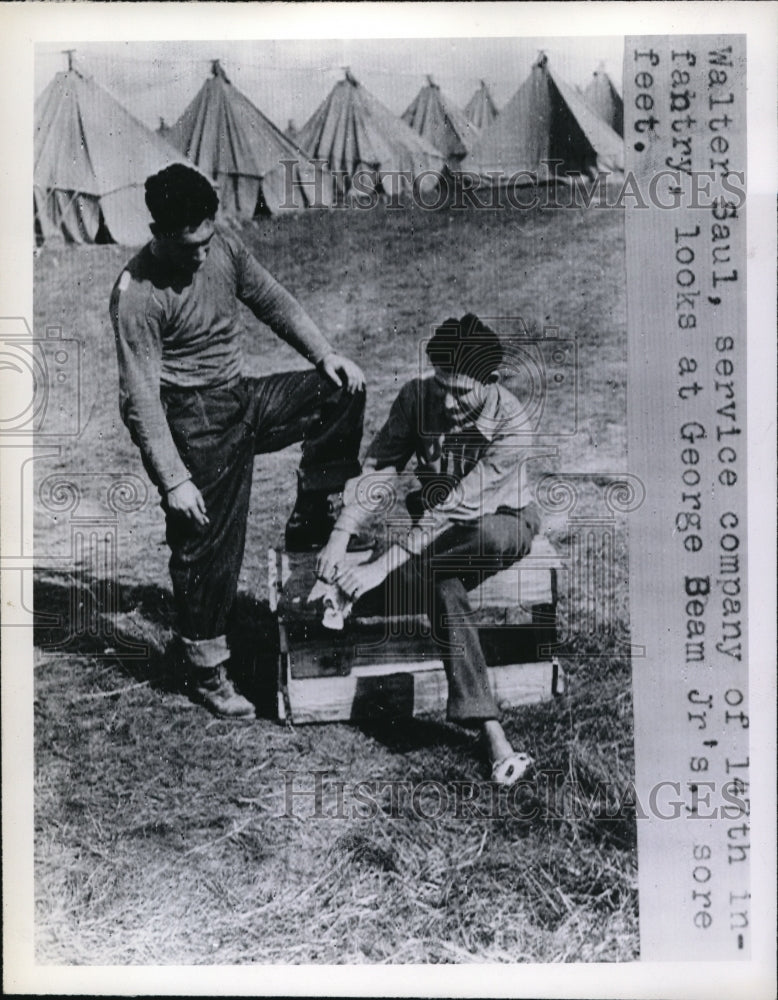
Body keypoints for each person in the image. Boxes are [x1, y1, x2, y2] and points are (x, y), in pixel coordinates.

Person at [110, 164, 365, 719]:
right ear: (159, 231)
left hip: (241, 398)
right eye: (191, 245)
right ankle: (205, 669)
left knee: (342, 389)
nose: (203, 254)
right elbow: (140, 399)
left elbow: (271, 299)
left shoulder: (222, 248)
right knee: (207, 548)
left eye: (208, 238)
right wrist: (174, 478)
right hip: (193, 420)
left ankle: (315, 513)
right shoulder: (137, 295)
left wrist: (324, 353)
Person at [316, 314, 540, 786]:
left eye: (462, 391)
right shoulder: (418, 397)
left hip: (498, 524)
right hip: (436, 531)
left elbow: (457, 511)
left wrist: (378, 569)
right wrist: (340, 536)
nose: (449, 401)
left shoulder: (512, 426)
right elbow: (379, 469)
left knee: (465, 542)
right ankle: (493, 735)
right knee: (443, 582)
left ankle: (350, 597)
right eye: (442, 385)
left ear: (492, 382)